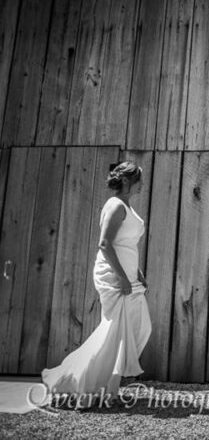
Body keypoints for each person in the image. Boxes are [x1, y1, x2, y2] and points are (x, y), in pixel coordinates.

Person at [42, 162, 152, 409]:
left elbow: (127, 245)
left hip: (129, 276)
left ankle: (98, 384)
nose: (142, 184)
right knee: (113, 333)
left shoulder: (127, 207)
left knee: (137, 327)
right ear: (127, 181)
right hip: (114, 276)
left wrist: (138, 274)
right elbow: (105, 244)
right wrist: (123, 278)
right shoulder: (115, 205)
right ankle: (74, 380)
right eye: (139, 179)